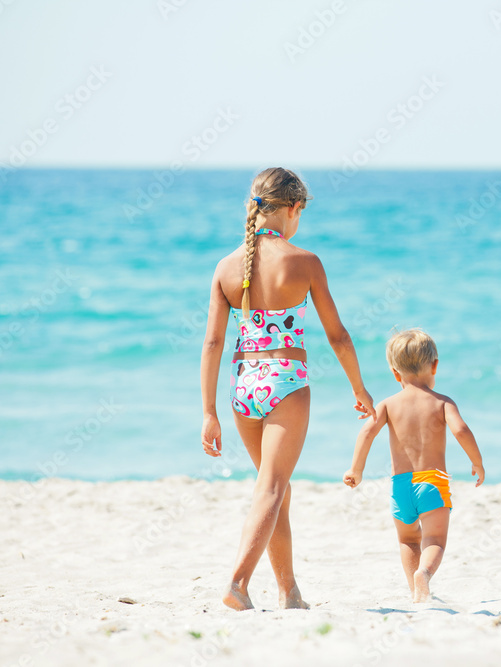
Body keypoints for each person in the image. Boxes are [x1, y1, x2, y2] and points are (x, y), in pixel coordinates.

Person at [200, 167, 375, 611]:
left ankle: (288, 592)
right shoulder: (305, 262)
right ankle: (238, 583)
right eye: (301, 213)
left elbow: (213, 344)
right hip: (285, 382)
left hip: (244, 388)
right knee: (273, 488)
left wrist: (209, 411)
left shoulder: (225, 266)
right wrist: (360, 388)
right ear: (293, 209)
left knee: (274, 486)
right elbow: (337, 335)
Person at [343, 329, 484, 602]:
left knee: (407, 540)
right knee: (435, 541)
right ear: (434, 365)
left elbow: (366, 433)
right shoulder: (443, 402)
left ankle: (415, 592)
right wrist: (476, 461)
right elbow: (462, 431)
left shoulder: (387, 404)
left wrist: (356, 470)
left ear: (395, 374)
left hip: (400, 486)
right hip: (432, 482)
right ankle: (425, 575)